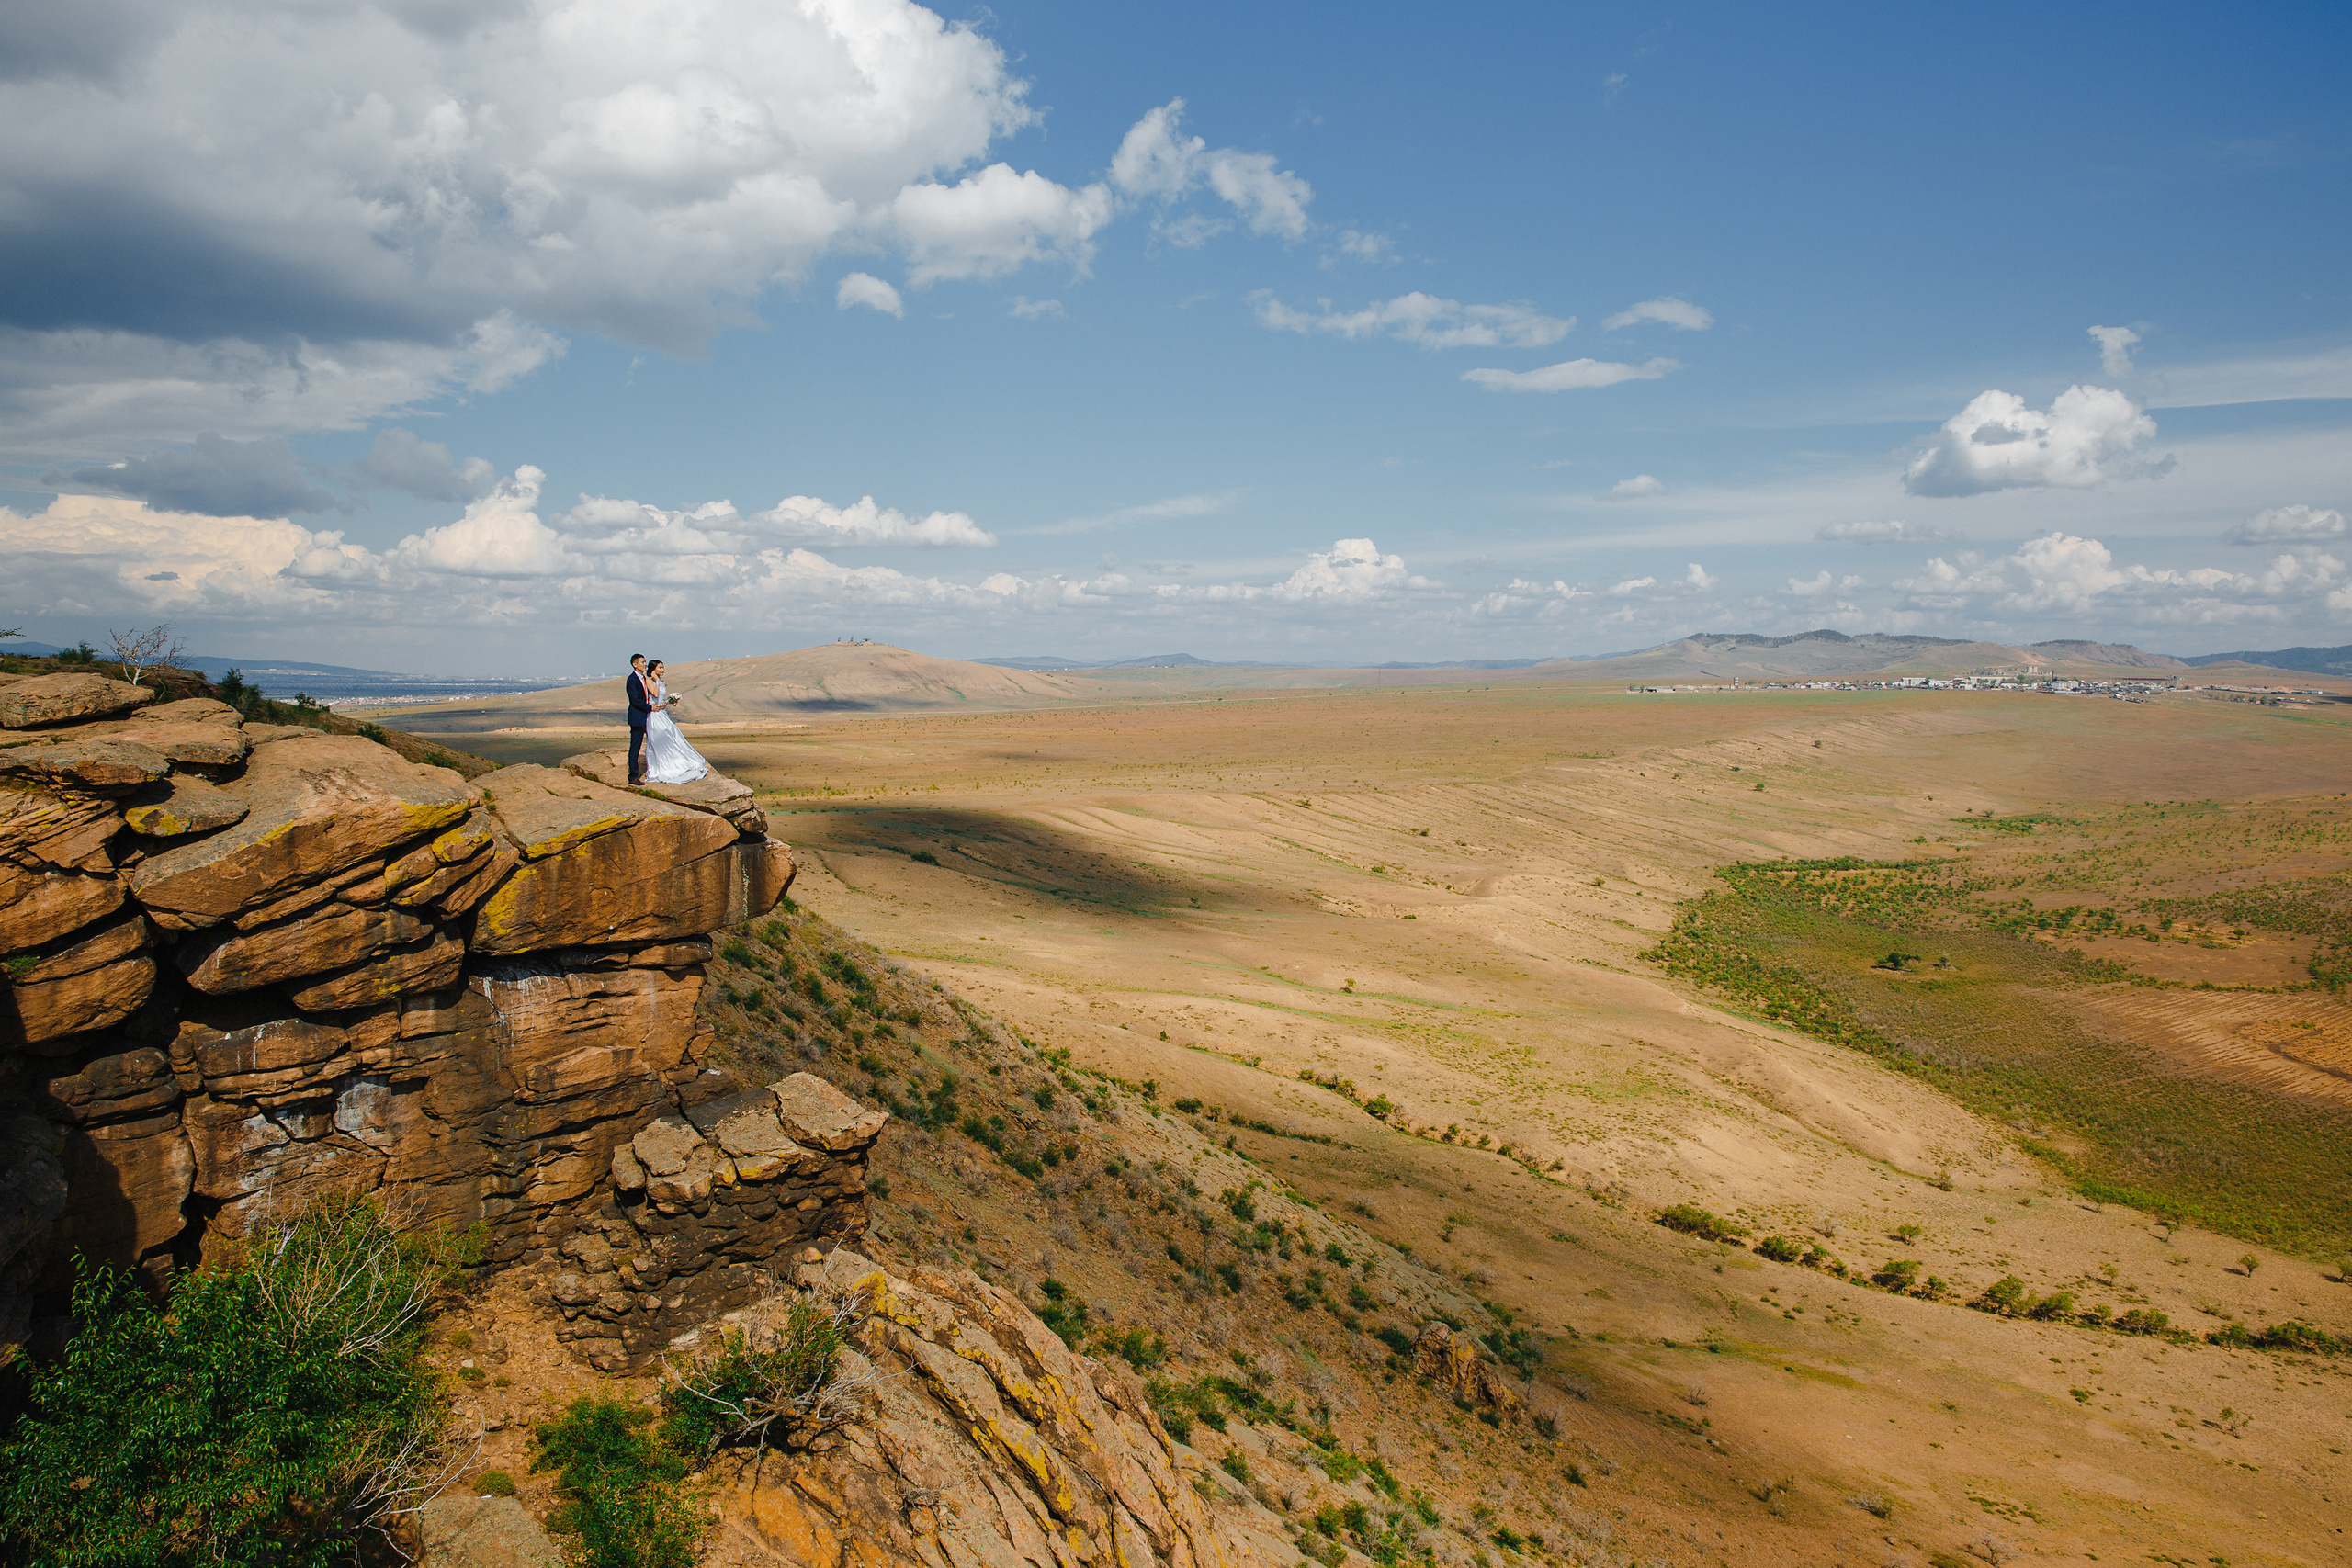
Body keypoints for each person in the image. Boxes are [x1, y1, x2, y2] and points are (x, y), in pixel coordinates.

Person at [639, 660, 709, 784]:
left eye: (663, 667)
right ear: (653, 669)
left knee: (672, 735)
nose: (662, 670)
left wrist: (668, 702)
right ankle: (662, 765)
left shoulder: (662, 682)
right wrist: (655, 680)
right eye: (660, 668)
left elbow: (660, 697)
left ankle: (676, 761)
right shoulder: (649, 681)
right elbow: (654, 693)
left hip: (662, 713)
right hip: (654, 715)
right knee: (660, 737)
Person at [624, 653, 652, 784]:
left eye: (645, 662)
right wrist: (650, 708)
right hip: (638, 717)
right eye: (642, 662)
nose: (645, 664)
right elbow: (635, 700)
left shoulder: (645, 679)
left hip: (648, 717)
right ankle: (633, 776)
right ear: (635, 664)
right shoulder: (632, 680)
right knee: (636, 746)